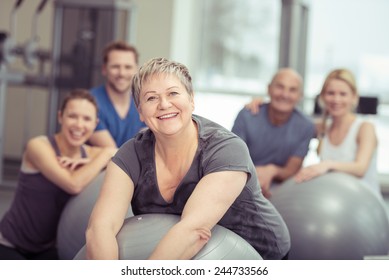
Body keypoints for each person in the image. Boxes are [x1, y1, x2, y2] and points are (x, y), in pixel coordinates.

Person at [85, 57, 290, 260]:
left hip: (260, 255)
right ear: (140, 112)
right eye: (151, 98)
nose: (164, 104)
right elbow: (100, 228)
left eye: (173, 93)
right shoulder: (130, 155)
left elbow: (193, 231)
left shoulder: (226, 149)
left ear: (191, 100)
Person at [0, 89, 117, 260]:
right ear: (60, 117)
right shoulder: (39, 146)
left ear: (95, 123)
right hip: (10, 244)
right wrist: (105, 155)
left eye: (86, 119)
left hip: (49, 248)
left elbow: (124, 153)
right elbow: (73, 184)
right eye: (72, 116)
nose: (79, 124)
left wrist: (102, 157)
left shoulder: (93, 155)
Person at [294, 68, 381, 198]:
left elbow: (360, 168)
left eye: (343, 94)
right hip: (335, 202)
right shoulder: (322, 127)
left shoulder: (365, 127)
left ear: (354, 97)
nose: (336, 99)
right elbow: (291, 122)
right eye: (330, 93)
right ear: (322, 96)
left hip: (364, 204)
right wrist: (263, 105)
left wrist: (326, 165)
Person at [231, 68, 315, 198]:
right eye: (280, 87)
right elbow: (233, 159)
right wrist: (255, 179)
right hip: (241, 182)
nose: (285, 94)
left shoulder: (306, 126)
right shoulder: (247, 115)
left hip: (281, 189)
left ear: (300, 96)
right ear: (269, 89)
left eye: (292, 90)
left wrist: (272, 170)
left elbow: (292, 170)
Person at [88, 40, 146, 148]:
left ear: (136, 70)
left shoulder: (144, 102)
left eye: (128, 67)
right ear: (104, 69)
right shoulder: (89, 102)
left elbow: (145, 147)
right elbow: (114, 155)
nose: (122, 73)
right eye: (115, 67)